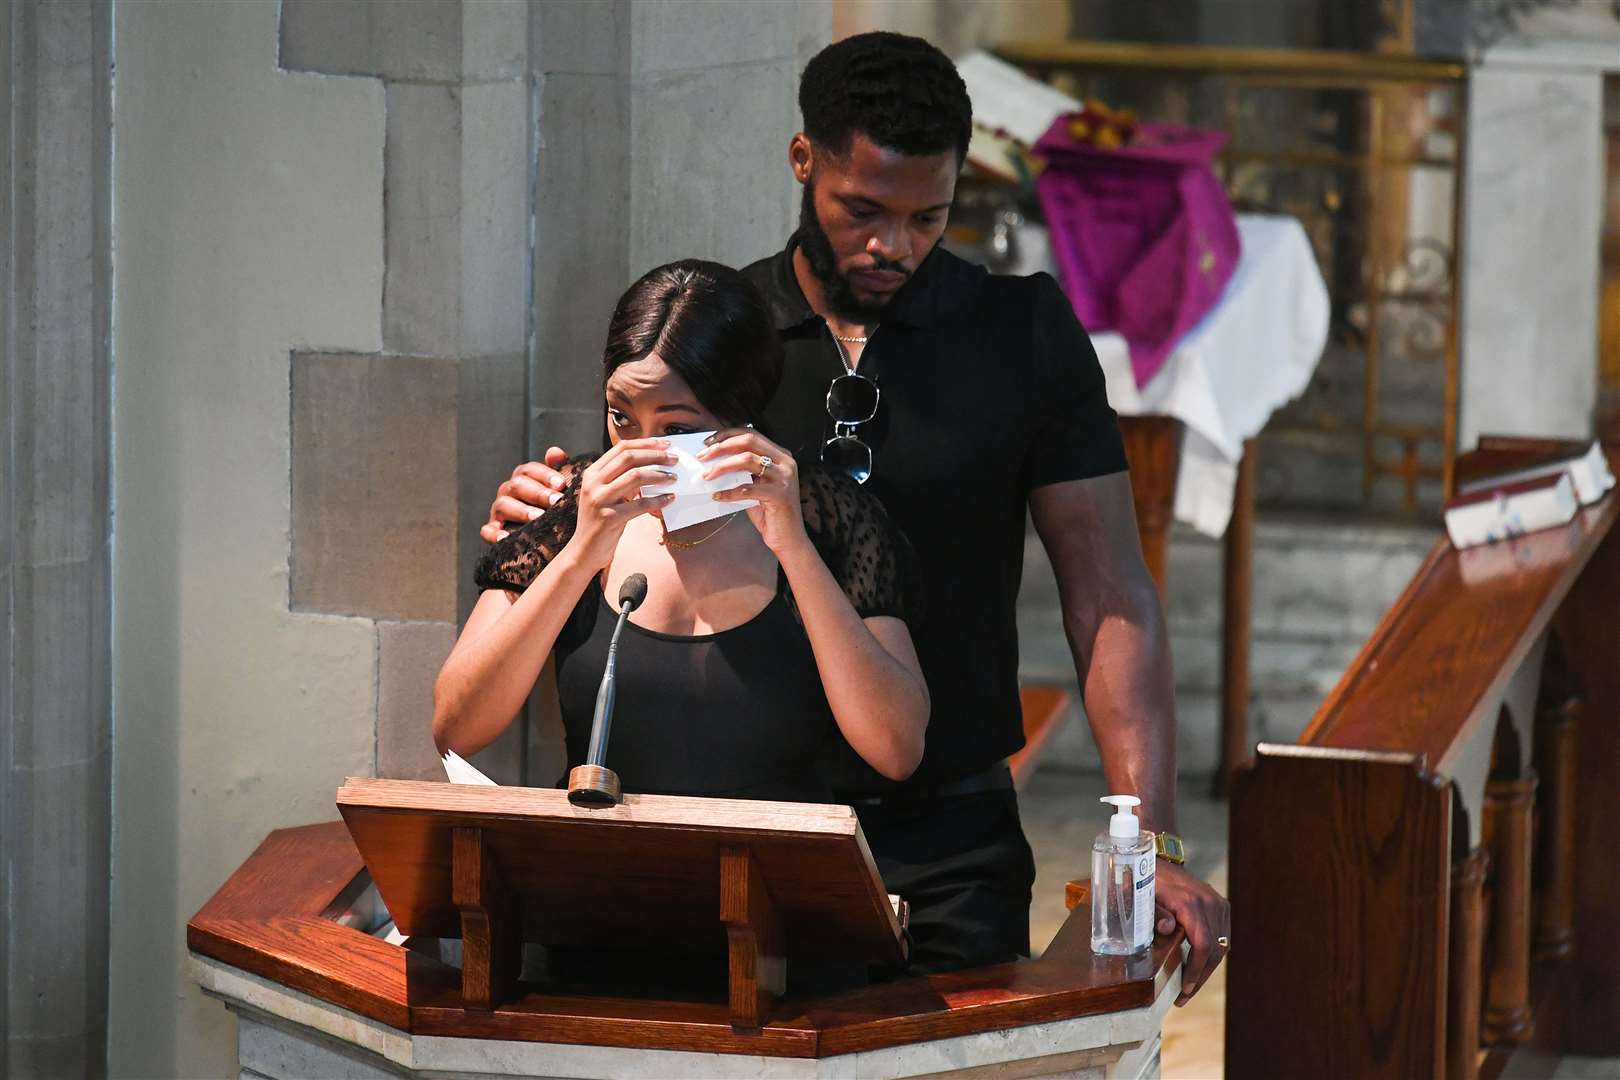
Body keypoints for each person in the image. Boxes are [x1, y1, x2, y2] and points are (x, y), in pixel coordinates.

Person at [482, 32, 1230, 1000]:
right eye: (862, 210)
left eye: (930, 217)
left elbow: (1111, 594)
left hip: (947, 832)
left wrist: (1152, 837)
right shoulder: (721, 327)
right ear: (805, 162)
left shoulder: (1022, 333)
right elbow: (622, 481)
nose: (895, 247)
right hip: (741, 830)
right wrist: (544, 508)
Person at [435, 259, 931, 809]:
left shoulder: (826, 515)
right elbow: (456, 729)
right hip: (595, 866)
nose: (642, 453)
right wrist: (579, 555)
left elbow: (897, 748)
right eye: (622, 418)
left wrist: (793, 547)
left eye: (678, 430)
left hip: (773, 873)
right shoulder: (571, 501)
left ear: (743, 415)